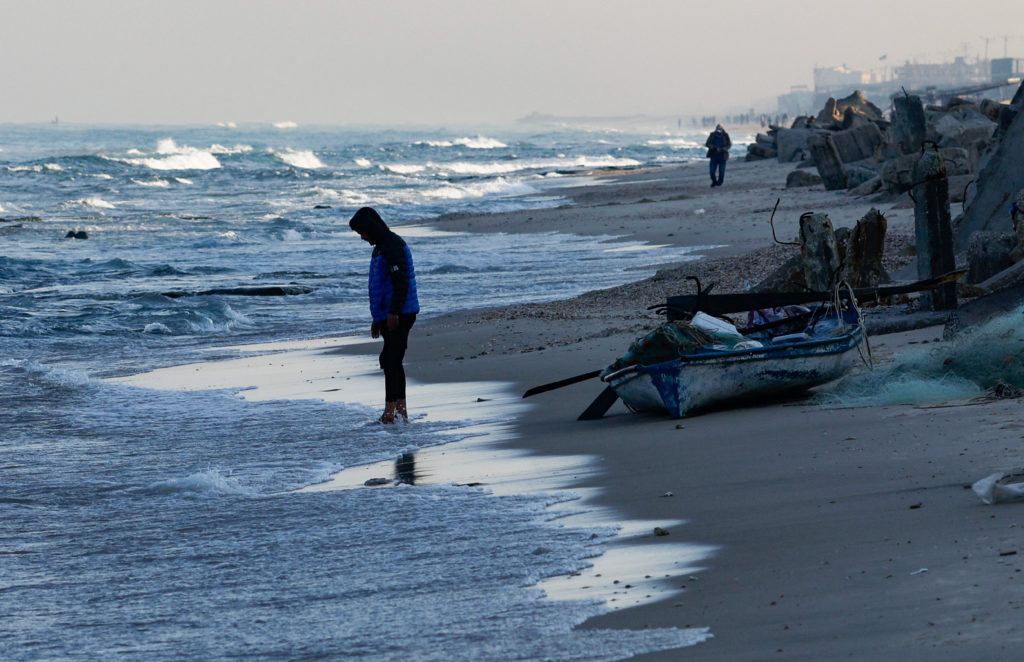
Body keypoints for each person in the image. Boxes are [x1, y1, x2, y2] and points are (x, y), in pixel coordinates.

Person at [349, 207, 420, 423]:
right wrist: (377, 319)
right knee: (392, 360)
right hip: (389, 314)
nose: (362, 237)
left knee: (391, 360)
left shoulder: (392, 245)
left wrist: (393, 313)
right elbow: (380, 286)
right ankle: (399, 411)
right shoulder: (380, 247)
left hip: (401, 313)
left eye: (362, 232)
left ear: (371, 227)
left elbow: (401, 282)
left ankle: (392, 412)